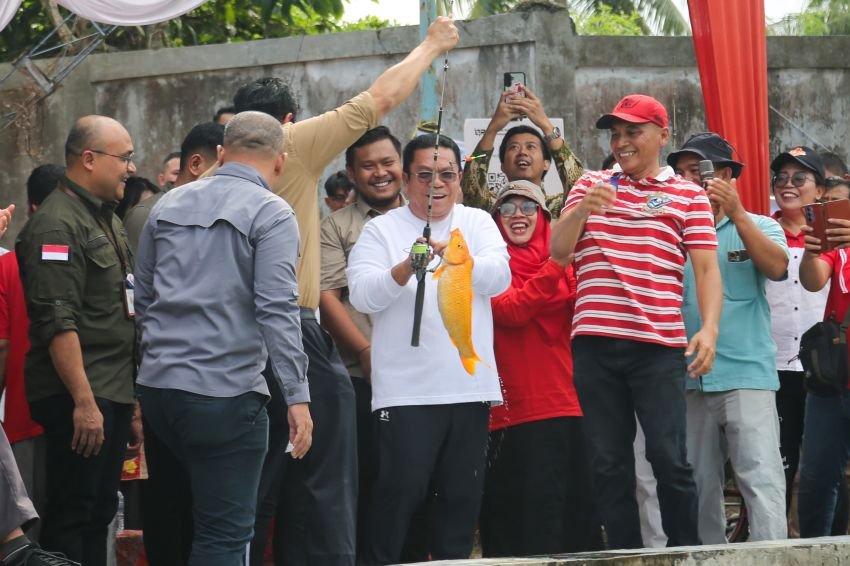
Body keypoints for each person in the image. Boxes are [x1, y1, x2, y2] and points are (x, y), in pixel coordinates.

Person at [232, 17, 459, 566]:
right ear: (288, 122)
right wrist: (432, 44)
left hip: (228, 339)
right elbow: (381, 97)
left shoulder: (209, 178)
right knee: (322, 481)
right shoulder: (289, 145)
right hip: (292, 327)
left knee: (257, 482)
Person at [134, 111, 313, 566]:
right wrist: (297, 396)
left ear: (220, 153)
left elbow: (145, 296)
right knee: (225, 536)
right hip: (224, 394)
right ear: (280, 161)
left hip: (159, 389)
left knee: (176, 518)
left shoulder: (167, 204)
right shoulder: (272, 212)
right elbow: (277, 309)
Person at [550, 94, 722, 549]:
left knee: (669, 458)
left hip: (659, 346)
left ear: (662, 135)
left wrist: (709, 328)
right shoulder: (589, 183)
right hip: (594, 344)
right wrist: (583, 209)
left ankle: (685, 552)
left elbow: (707, 269)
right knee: (608, 463)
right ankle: (625, 554)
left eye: (633, 131)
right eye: (615, 134)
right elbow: (558, 252)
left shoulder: (688, 195)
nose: (621, 142)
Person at [347, 133, 509, 564]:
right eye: (423, 175)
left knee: (461, 499)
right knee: (398, 496)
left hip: (468, 387)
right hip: (405, 394)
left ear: (458, 178)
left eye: (446, 175)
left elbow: (500, 277)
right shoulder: (380, 229)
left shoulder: (477, 222)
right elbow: (362, 295)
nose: (436, 184)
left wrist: (461, 262)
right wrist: (406, 268)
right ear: (405, 179)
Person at [15, 116, 139, 566]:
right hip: (80, 393)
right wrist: (84, 403)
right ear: (89, 159)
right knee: (74, 510)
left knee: (100, 509)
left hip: (112, 387)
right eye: (124, 158)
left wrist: (131, 403)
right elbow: (57, 322)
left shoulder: (105, 217)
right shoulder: (57, 225)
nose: (131, 168)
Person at [669, 132, 790, 543]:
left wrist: (737, 213)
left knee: (761, 477)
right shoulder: (669, 232)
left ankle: (772, 558)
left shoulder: (761, 224)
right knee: (697, 485)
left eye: (697, 171)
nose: (688, 180)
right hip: (686, 376)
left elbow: (777, 267)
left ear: (724, 176)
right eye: (680, 172)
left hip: (747, 374)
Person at [479, 179, 602, 556]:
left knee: (572, 518)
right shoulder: (489, 267)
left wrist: (563, 259)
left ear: (544, 217)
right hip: (511, 412)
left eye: (528, 207)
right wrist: (555, 265)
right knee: (517, 519)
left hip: (567, 404)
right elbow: (511, 311)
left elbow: (585, 312)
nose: (518, 214)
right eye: (507, 208)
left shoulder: (567, 262)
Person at [318, 126, 404, 557]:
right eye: (368, 166)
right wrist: (366, 352)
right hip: (359, 377)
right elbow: (326, 297)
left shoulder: (429, 218)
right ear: (351, 173)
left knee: (414, 483)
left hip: (420, 379)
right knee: (369, 479)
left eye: (388, 162)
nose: (380, 173)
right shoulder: (336, 227)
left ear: (402, 165)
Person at [765, 147, 835, 533]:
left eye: (798, 178)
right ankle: (777, 541)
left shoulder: (835, 237)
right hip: (773, 366)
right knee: (778, 464)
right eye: (781, 178)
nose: (787, 185)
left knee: (825, 468)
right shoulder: (761, 231)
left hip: (824, 368)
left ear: (820, 190)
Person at [0, 164, 63, 543]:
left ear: (31, 207)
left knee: (24, 532)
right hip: (83, 414)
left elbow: (3, 345)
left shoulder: (8, 264)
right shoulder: (91, 255)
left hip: (21, 418)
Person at [797, 169, 850, 538]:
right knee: (816, 478)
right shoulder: (837, 251)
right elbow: (813, 280)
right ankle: (814, 553)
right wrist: (810, 251)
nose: (833, 212)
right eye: (826, 204)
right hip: (832, 380)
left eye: (840, 205)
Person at [461, 86, 583, 218]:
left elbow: (579, 185)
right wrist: (492, 129)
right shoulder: (493, 207)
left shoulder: (556, 207)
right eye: (514, 147)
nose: (522, 152)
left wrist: (546, 125)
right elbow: (470, 185)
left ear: (546, 164)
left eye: (531, 147)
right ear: (502, 166)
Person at [123, 122, 225, 252]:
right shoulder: (147, 215)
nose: (231, 178)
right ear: (195, 164)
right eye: (224, 169)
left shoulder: (220, 213)